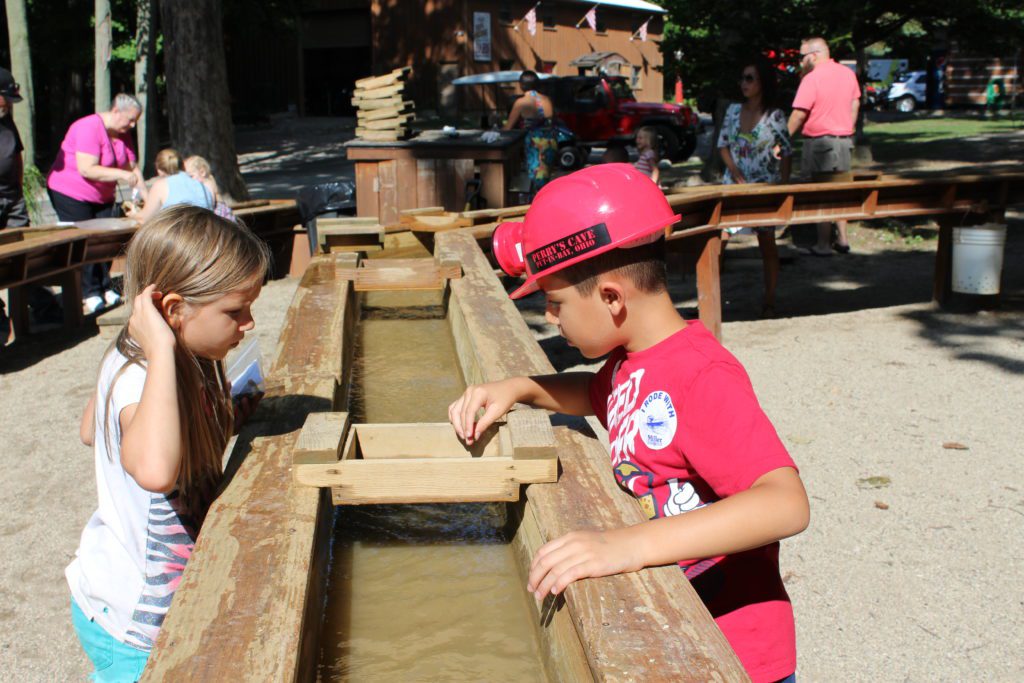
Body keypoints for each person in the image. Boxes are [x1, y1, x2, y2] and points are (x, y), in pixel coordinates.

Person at [450, 164, 809, 683]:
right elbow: (598, 395)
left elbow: (785, 503)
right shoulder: (630, 362)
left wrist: (629, 545)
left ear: (612, 298)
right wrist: (521, 388)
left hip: (735, 655)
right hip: (678, 629)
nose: (552, 319)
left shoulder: (701, 376)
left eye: (556, 304)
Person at [69, 205, 269, 681]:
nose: (249, 323)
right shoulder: (144, 372)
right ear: (174, 310)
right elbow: (156, 471)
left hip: (145, 605)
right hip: (135, 625)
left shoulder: (179, 357)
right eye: (235, 310)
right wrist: (160, 349)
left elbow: (89, 430)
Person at [47, 93, 148, 314]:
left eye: (135, 121)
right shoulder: (88, 127)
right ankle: (89, 292)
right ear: (115, 111)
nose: (132, 125)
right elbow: (87, 168)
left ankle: (105, 285)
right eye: (130, 120)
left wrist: (147, 199)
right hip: (72, 193)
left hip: (103, 196)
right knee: (85, 242)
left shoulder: (122, 135)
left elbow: (133, 168)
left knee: (106, 241)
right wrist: (120, 175)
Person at [717, 59, 793, 316]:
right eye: (742, 78)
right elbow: (723, 144)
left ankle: (769, 300)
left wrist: (782, 185)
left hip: (763, 186)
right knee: (719, 241)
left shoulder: (775, 115)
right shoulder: (732, 111)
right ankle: (711, 299)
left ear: (763, 82)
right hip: (734, 185)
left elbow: (787, 150)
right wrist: (735, 171)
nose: (744, 84)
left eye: (750, 78)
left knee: (767, 241)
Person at [788, 37, 861, 256]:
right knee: (840, 191)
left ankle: (822, 244)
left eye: (802, 57)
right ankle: (843, 240)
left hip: (819, 142)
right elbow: (855, 102)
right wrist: (850, 126)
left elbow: (799, 113)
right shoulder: (847, 74)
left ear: (813, 55)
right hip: (844, 142)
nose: (801, 62)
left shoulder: (812, 78)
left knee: (818, 193)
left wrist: (782, 139)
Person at [504, 70, 558, 196]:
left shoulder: (521, 102)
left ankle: (535, 207)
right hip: (550, 141)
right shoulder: (547, 100)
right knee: (546, 180)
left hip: (535, 144)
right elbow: (553, 120)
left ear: (521, 85)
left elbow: (508, 127)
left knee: (535, 180)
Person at [127, 148, 213, 223]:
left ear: (159, 170)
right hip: (203, 235)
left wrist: (133, 215)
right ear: (182, 165)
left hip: (179, 236)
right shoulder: (201, 185)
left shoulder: (161, 185)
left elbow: (144, 219)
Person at [183, 155, 235, 222]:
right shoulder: (200, 185)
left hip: (217, 213)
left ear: (202, 172)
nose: (189, 180)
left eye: (191, 176)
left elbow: (210, 202)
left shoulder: (207, 184)